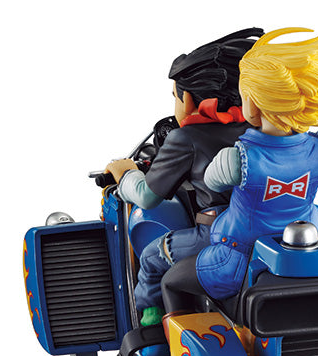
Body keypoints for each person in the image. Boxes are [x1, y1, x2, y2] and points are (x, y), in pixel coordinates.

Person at [160, 25, 318, 313]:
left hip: (239, 258)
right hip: (300, 249)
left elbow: (212, 182)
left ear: (254, 103)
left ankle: (153, 338)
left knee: (170, 280)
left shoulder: (236, 158)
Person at [105, 28, 263, 330]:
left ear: (187, 99)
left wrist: (125, 173)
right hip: (268, 232)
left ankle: (151, 331)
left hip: (216, 233)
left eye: (175, 98)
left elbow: (147, 196)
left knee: (151, 257)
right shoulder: (261, 131)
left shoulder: (185, 137)